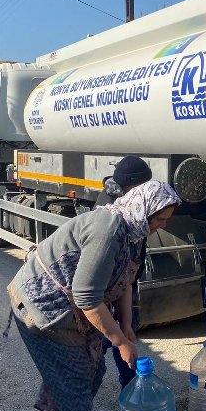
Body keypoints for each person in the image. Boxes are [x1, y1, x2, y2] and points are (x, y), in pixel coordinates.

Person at [7, 180, 181, 411]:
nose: (162, 225)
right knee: (74, 383)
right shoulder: (109, 230)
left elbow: (126, 279)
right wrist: (120, 342)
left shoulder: (135, 230)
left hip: (73, 307)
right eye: (159, 218)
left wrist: (125, 324)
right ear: (144, 209)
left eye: (166, 219)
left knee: (94, 372)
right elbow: (87, 297)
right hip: (44, 306)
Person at [93, 155, 153, 388]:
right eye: (143, 186)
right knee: (104, 339)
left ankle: (130, 385)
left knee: (127, 331)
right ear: (132, 185)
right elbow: (92, 292)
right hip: (106, 288)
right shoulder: (109, 209)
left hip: (125, 283)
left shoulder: (135, 203)